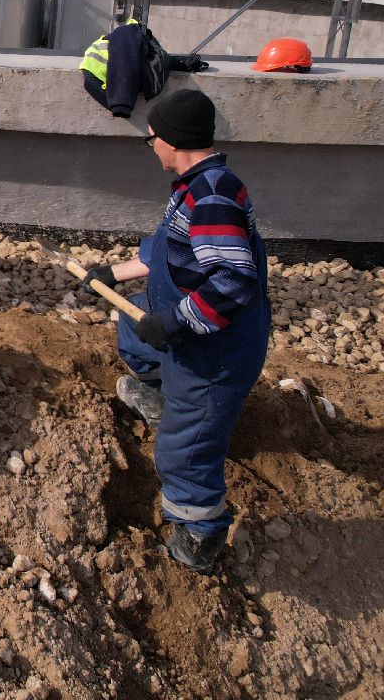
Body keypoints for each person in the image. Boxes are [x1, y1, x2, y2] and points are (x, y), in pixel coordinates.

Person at [82, 89, 271, 574]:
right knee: (133, 320)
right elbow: (167, 251)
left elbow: (233, 282)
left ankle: (199, 534)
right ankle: (158, 390)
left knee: (183, 448)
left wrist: (175, 321)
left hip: (215, 349)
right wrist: (112, 274)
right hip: (187, 326)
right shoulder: (198, 185)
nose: (152, 150)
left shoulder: (210, 199)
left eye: (151, 141)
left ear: (170, 140)